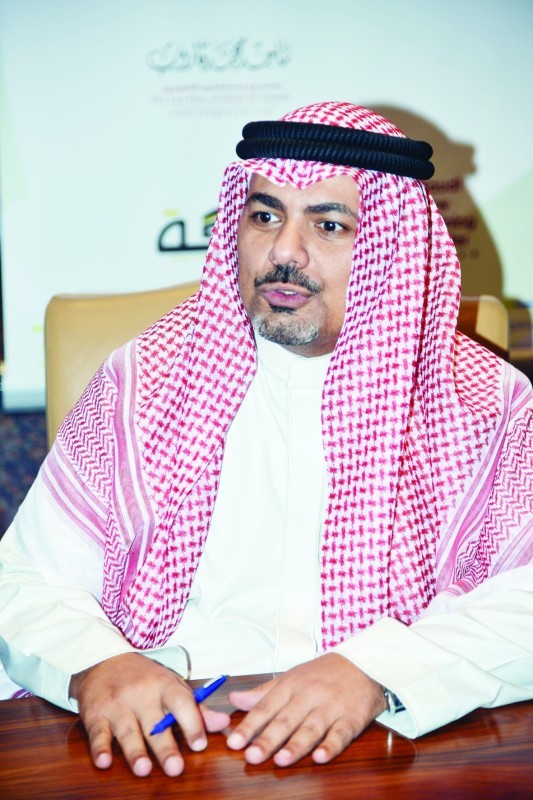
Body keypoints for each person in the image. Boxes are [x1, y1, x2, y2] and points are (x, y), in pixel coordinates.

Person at [0, 101, 532, 779]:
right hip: (174, 736)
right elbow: (25, 578)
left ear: (391, 248)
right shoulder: (146, 381)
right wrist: (96, 662)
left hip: (396, 733)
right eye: (264, 216)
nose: (283, 251)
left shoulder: (482, 401)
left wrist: (379, 670)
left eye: (329, 225)